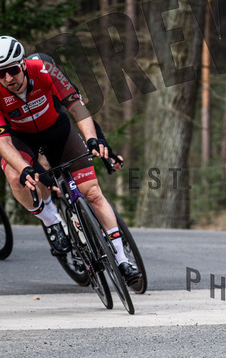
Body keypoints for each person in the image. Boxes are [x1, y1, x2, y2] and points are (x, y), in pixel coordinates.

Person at [0, 36, 139, 285]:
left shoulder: (45, 70)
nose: (8, 78)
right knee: (16, 176)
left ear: (22, 64)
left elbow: (78, 108)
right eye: (1, 74)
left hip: (58, 132)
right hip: (20, 140)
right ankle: (51, 220)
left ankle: (122, 260)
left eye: (12, 70)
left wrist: (94, 140)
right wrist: (24, 169)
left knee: (92, 192)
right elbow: (3, 143)